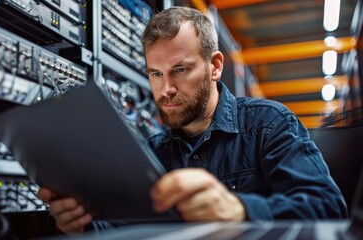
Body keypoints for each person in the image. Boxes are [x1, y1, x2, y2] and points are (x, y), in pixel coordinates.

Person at [37, 6, 347, 235]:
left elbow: (327, 207)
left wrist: (240, 210)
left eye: (180, 70)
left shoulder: (268, 124)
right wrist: (79, 222)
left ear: (214, 67)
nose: (166, 89)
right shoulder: (153, 152)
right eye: (156, 74)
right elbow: (121, 226)